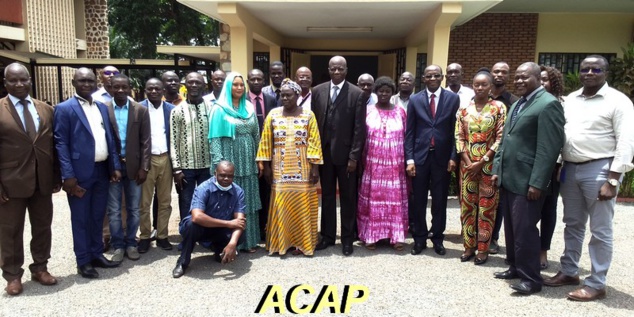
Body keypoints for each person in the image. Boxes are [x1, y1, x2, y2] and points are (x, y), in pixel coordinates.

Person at [544, 55, 634, 301]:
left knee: (600, 230)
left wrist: (613, 180)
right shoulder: (570, 100)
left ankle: (597, 282)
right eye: (585, 69)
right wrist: (559, 164)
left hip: (601, 169)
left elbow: (626, 141)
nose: (590, 73)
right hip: (571, 169)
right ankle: (569, 271)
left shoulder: (618, 101)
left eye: (596, 69)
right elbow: (564, 134)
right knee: (572, 224)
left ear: (606, 72)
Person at [492, 62, 565, 295]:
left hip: (528, 181)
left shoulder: (548, 104)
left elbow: (549, 149)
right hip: (509, 176)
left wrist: (537, 182)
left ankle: (531, 279)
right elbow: (506, 140)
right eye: (518, 78)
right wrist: (496, 169)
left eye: (525, 77)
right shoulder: (518, 103)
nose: (520, 81)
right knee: (513, 228)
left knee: (525, 229)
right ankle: (515, 266)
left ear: (537, 77)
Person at [54, 67, 122, 279]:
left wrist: (114, 166)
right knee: (81, 219)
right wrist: (68, 175)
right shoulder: (64, 109)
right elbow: (61, 143)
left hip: (102, 170)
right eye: (82, 81)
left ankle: (96, 254)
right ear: (74, 83)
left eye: (90, 81)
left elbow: (109, 139)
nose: (86, 84)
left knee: (97, 216)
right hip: (79, 174)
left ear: (96, 84)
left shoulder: (102, 107)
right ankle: (83, 261)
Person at [0, 63, 60, 295]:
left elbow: (53, 145)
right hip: (10, 182)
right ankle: (13, 275)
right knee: (10, 230)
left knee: (43, 227)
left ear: (30, 80)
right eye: (13, 81)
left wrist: (56, 176)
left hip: (42, 180)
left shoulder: (45, 109)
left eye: (23, 79)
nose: (19, 84)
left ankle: (40, 267)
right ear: (5, 83)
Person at [256, 79, 323, 255]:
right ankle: (282, 243)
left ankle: (303, 243)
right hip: (279, 169)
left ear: (297, 96)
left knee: (302, 206)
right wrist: (267, 166)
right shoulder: (273, 115)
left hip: (304, 170)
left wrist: (315, 168)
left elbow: (314, 142)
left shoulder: (308, 115)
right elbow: (266, 141)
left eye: (289, 95)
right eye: (282, 95)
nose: (285, 98)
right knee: (281, 205)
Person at [312, 55, 367, 256]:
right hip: (324, 155)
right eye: (333, 69)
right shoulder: (317, 91)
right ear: (328, 69)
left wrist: (354, 157)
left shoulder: (357, 93)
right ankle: (327, 236)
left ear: (346, 70)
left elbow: (359, 129)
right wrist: (314, 157)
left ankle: (346, 239)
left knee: (347, 198)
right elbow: (314, 126)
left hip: (346, 158)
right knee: (326, 197)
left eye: (340, 69)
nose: (337, 72)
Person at [405, 64, 460, 256]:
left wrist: (454, 156)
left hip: (442, 158)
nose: (433, 78)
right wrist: (409, 159)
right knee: (418, 200)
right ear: (424, 78)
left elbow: (456, 130)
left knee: (439, 201)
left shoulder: (453, 98)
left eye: (437, 75)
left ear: (442, 77)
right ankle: (419, 239)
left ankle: (437, 238)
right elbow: (410, 131)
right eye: (429, 76)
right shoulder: (415, 99)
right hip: (420, 158)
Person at [455, 71, 505, 265]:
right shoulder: (463, 111)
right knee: (467, 207)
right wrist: (468, 162)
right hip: (467, 167)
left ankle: (483, 250)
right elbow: (459, 137)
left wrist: (482, 161)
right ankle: (469, 246)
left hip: (488, 167)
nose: (480, 88)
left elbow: (501, 138)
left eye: (484, 84)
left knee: (486, 209)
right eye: (476, 84)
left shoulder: (498, 108)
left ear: (491, 86)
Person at [209, 72, 262, 252]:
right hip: (229, 161)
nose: (239, 88)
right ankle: (230, 243)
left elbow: (256, 134)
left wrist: (259, 160)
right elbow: (215, 139)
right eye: (235, 84)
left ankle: (249, 241)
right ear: (228, 86)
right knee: (229, 204)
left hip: (248, 162)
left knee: (248, 201)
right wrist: (218, 165)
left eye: (241, 85)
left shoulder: (248, 106)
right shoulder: (219, 108)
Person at [357, 76, 408, 251]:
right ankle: (371, 236)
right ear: (376, 92)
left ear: (392, 92)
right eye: (381, 91)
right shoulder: (368, 110)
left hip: (395, 165)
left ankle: (396, 236)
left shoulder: (401, 112)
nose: (384, 94)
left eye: (387, 91)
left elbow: (407, 137)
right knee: (373, 200)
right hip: (373, 165)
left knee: (394, 200)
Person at [172, 160, 246, 278]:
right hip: (200, 228)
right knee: (191, 224)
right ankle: (182, 262)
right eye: (222, 175)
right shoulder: (204, 188)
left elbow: (240, 221)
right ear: (215, 173)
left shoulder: (238, 191)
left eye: (230, 176)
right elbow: (197, 216)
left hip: (220, 229)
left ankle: (219, 250)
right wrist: (229, 223)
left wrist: (232, 244)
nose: (226, 179)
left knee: (240, 235)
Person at [104, 74, 151, 262]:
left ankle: (131, 242)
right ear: (110, 88)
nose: (121, 90)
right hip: (112, 167)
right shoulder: (104, 109)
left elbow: (146, 141)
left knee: (133, 208)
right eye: (117, 87)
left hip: (134, 167)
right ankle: (118, 245)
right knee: (114, 209)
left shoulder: (140, 110)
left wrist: (144, 167)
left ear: (130, 87)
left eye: (124, 87)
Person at [138, 78, 175, 253]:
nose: (154, 91)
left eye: (157, 89)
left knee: (165, 201)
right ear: (145, 90)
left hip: (166, 158)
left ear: (163, 91)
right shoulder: (138, 108)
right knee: (144, 202)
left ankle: (162, 236)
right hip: (147, 160)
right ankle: (145, 236)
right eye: (150, 88)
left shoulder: (171, 110)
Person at [170, 72, 212, 221]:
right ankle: (187, 235)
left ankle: (205, 236)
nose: (194, 85)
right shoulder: (177, 111)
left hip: (208, 166)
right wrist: (176, 169)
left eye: (198, 82)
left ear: (204, 85)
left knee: (207, 201)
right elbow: (174, 141)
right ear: (185, 85)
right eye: (190, 82)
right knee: (186, 202)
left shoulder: (212, 108)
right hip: (185, 168)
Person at [489, 61, 520, 254]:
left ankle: (493, 237)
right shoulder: (480, 98)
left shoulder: (514, 102)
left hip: (502, 158)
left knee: (498, 201)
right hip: (477, 157)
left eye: (504, 72)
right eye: (496, 71)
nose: (499, 74)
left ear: (508, 76)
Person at [538, 65, 565, 270]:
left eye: (545, 79)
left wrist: (559, 164)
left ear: (553, 82)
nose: (541, 83)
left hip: (552, 167)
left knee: (548, 210)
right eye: (538, 78)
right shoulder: (527, 103)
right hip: (529, 165)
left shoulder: (561, 104)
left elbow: (563, 139)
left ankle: (542, 251)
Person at [247, 69, 278, 241]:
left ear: (264, 80)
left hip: (269, 153)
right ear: (248, 81)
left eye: (260, 78)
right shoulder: (242, 100)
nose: (257, 81)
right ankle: (253, 230)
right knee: (252, 191)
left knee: (266, 192)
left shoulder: (271, 99)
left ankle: (266, 229)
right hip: (248, 151)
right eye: (253, 79)